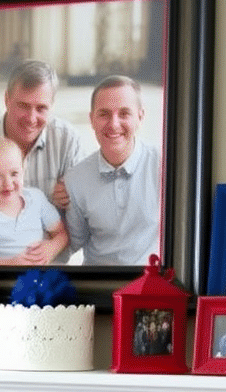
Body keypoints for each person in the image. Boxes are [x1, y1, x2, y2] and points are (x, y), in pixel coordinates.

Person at [0, 60, 84, 216]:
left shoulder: (67, 142)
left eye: (41, 108)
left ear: (52, 105)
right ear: (7, 100)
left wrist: (75, 197)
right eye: (23, 106)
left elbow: (84, 209)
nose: (31, 119)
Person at [63, 76, 162, 266]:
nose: (114, 124)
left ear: (140, 117)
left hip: (151, 284)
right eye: (104, 114)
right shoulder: (75, 178)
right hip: (100, 283)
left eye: (124, 113)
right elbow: (72, 244)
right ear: (91, 119)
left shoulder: (163, 167)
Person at [0, 138, 68, 267]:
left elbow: (61, 233)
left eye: (14, 174)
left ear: (23, 172)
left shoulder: (36, 199)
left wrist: (51, 248)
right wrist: (10, 264)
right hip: (4, 278)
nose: (8, 183)